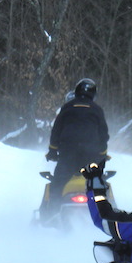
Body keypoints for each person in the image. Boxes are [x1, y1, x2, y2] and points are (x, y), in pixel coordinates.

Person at [41, 78, 109, 220]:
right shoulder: (97, 110)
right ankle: (107, 213)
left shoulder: (67, 108)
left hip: (68, 155)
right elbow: (104, 135)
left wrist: (53, 150)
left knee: (57, 184)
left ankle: (51, 215)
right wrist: (102, 154)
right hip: (91, 156)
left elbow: (56, 131)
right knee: (99, 183)